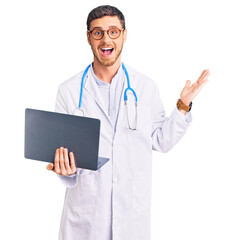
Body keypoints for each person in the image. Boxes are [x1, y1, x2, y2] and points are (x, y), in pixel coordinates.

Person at [46, 5, 210, 240]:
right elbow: (66, 159)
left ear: (124, 34)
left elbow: (161, 141)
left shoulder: (145, 87)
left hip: (132, 218)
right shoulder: (69, 91)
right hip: (85, 221)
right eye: (98, 32)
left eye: (113, 31)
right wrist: (65, 169)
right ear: (88, 38)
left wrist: (183, 105)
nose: (105, 39)